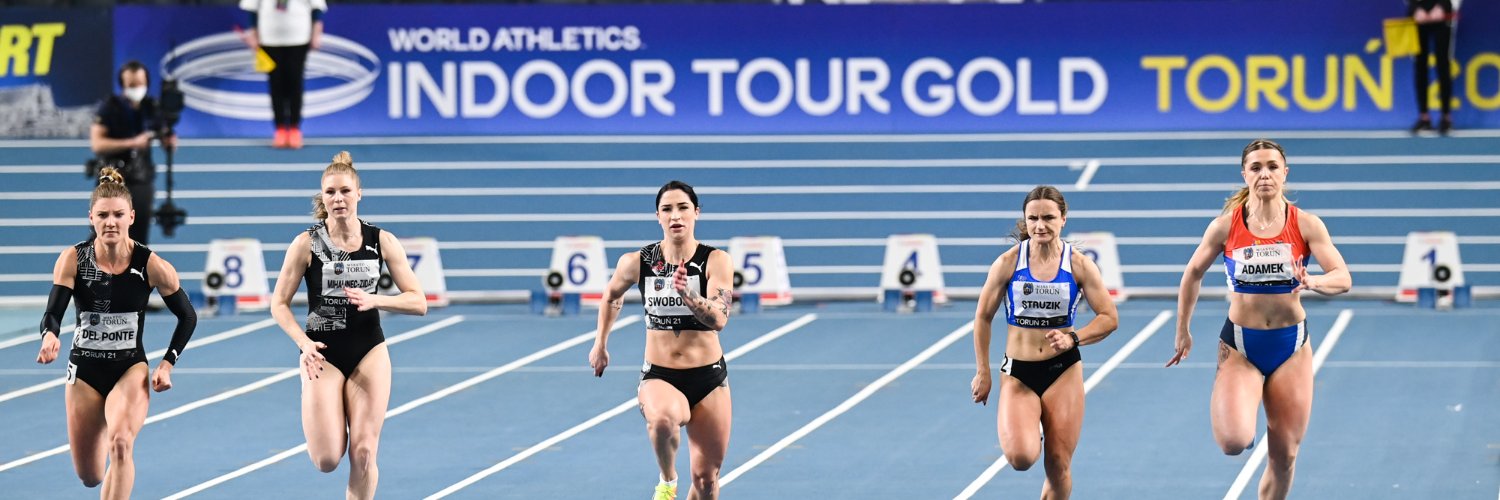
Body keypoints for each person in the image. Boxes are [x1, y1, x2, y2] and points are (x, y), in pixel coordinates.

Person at [1167, 139, 1350, 500]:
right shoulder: (1225, 227)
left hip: (1291, 346)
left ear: (1285, 173)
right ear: (1244, 174)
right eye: (1256, 167)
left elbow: (1343, 277)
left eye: (1271, 166)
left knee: (1285, 456)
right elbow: (1192, 274)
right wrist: (1183, 331)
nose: (1264, 174)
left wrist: (1315, 282)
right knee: (1234, 441)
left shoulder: (1307, 224)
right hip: (1241, 346)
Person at [268, 151, 426, 499]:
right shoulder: (306, 244)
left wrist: (377, 300)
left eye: (344, 191)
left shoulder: (381, 241)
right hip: (322, 353)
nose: (338, 199)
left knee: (365, 452)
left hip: (368, 349)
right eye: (330, 193)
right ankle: (315, 400)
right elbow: (278, 303)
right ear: (322, 198)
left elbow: (419, 301)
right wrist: (302, 343)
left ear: (359, 194)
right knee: (326, 459)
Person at [35, 167, 197, 500]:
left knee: (121, 444)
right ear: (91, 217)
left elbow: (187, 316)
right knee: (90, 475)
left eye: (118, 215)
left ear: (132, 217)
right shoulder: (73, 259)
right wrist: (49, 335)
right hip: (84, 372)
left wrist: (167, 362)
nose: (111, 222)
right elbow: (53, 312)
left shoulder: (151, 264)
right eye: (103, 215)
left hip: (129, 369)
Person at [969, 185, 1118, 499]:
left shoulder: (1078, 265)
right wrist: (983, 371)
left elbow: (1108, 317)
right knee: (1021, 458)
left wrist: (1073, 338)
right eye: (1033, 218)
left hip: (1063, 371)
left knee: (1058, 463)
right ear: (1025, 220)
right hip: (1018, 373)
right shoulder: (1008, 264)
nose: (1040, 225)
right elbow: (983, 316)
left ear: (1063, 218)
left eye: (1048, 218)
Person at [590, 180, 735, 500]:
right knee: (664, 421)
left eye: (683, 208)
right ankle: (667, 482)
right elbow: (611, 296)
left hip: (709, 376)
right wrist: (600, 344)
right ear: (658, 216)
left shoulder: (715, 260)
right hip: (660, 374)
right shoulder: (638, 262)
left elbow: (720, 319)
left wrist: (688, 295)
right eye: (667, 209)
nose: (675, 216)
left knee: (706, 481)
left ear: (696, 213)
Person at [89, 61, 178, 245]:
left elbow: (164, 137)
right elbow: (98, 144)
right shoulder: (110, 107)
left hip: (141, 179)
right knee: (105, 233)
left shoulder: (151, 107)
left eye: (140, 84)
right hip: (113, 179)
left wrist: (168, 140)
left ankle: (133, 273)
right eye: (132, 85)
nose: (137, 88)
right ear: (123, 85)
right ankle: (88, 271)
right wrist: (132, 143)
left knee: (138, 238)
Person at [239, 0, 327, 149]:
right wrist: (253, 34)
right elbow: (251, 10)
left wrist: (316, 34)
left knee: (295, 83)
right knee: (276, 85)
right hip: (268, 40)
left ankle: (294, 128)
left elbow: (317, 8)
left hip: (299, 38)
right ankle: (279, 129)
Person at [1408, 0, 1458, 134]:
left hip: (1442, 17)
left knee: (1443, 65)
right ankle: (1424, 116)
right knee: (1419, 66)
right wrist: (1415, 8)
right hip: (1418, 18)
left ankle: (1446, 116)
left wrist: (1442, 6)